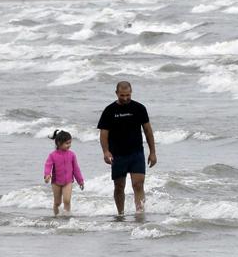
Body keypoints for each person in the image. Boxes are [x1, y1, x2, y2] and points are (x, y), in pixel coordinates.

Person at [96, 81, 156, 216]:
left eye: (128, 95)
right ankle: (120, 214)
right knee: (119, 187)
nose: (125, 98)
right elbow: (103, 133)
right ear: (116, 93)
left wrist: (152, 152)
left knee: (138, 185)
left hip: (136, 153)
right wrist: (106, 151)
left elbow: (148, 131)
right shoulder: (109, 110)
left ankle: (140, 214)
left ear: (131, 92)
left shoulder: (139, 108)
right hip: (118, 155)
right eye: (122, 95)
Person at [43, 129, 85, 216]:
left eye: (70, 143)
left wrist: (80, 180)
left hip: (68, 182)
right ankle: (56, 217)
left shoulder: (72, 155)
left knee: (67, 200)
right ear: (58, 143)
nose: (69, 145)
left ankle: (67, 216)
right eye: (67, 143)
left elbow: (76, 169)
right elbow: (48, 165)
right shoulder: (52, 155)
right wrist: (47, 175)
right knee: (57, 203)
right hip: (56, 182)